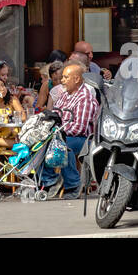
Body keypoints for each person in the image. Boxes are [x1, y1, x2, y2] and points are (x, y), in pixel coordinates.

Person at [40, 62, 99, 199]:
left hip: (83, 139)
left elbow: (79, 128)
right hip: (65, 133)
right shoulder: (65, 95)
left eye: (66, 77)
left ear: (77, 79)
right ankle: (50, 180)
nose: (62, 81)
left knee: (62, 145)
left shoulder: (85, 98)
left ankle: (73, 184)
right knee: (39, 144)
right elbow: (55, 114)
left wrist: (57, 133)